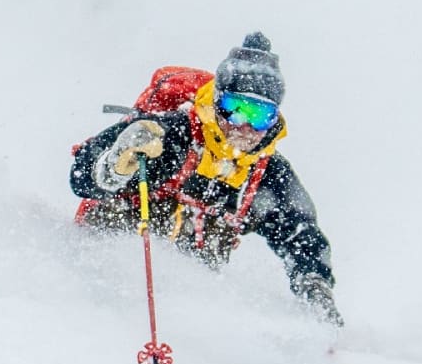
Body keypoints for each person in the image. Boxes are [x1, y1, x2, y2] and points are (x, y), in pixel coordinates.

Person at [70, 31, 343, 326]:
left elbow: (300, 235)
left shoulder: (266, 175)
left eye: (260, 115)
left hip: (186, 311)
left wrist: (314, 287)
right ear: (216, 103)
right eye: (236, 110)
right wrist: (117, 165)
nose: (246, 126)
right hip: (97, 278)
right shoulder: (171, 135)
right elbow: (80, 177)